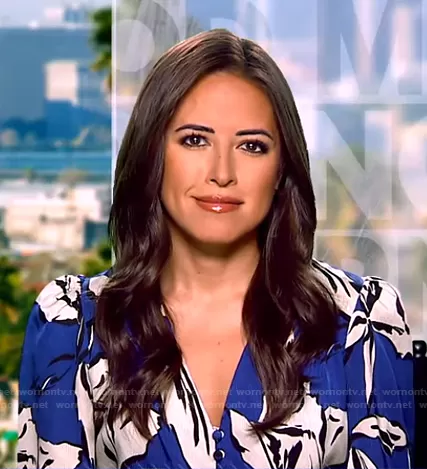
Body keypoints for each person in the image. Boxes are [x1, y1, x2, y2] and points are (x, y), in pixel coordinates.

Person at [17, 29, 414, 469]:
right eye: (194, 140)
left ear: (281, 170)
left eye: (252, 146)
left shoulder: (363, 323)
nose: (222, 172)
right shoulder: (72, 325)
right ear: (153, 153)